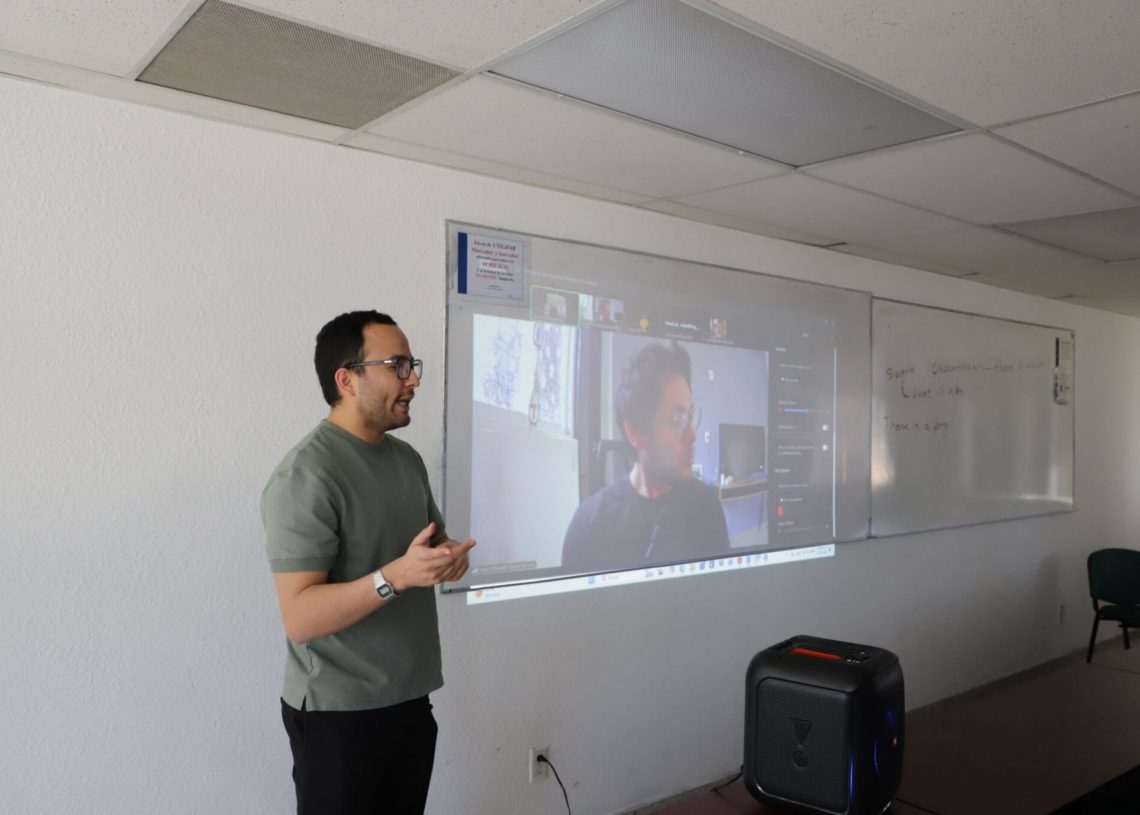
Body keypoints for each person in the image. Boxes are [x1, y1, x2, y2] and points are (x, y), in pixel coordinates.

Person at [261, 310, 475, 815]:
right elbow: (301, 617)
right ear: (347, 380)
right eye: (397, 366)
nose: (413, 380)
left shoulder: (406, 460)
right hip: (339, 715)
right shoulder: (306, 474)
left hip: (410, 700)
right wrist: (397, 576)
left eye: (411, 365)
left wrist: (445, 560)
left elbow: (427, 546)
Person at [561, 341, 730, 573]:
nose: (693, 435)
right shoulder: (588, 525)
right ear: (636, 432)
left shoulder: (706, 506)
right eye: (678, 421)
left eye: (690, 416)